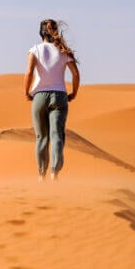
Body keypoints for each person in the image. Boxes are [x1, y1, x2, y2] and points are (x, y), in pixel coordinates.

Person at [24, 18, 80, 181]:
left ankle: (41, 176)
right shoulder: (64, 50)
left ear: (41, 33)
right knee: (57, 136)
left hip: (40, 96)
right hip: (59, 96)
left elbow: (28, 73)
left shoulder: (35, 50)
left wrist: (26, 92)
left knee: (41, 137)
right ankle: (55, 174)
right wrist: (74, 92)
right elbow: (75, 74)